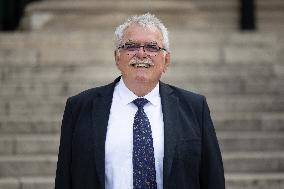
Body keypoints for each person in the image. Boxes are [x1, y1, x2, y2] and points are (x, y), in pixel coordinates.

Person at [55, 13, 225, 189]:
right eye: (131, 46)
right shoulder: (79, 107)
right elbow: (64, 179)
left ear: (166, 60)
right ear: (117, 57)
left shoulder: (195, 108)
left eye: (152, 47)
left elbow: (213, 178)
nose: (141, 54)